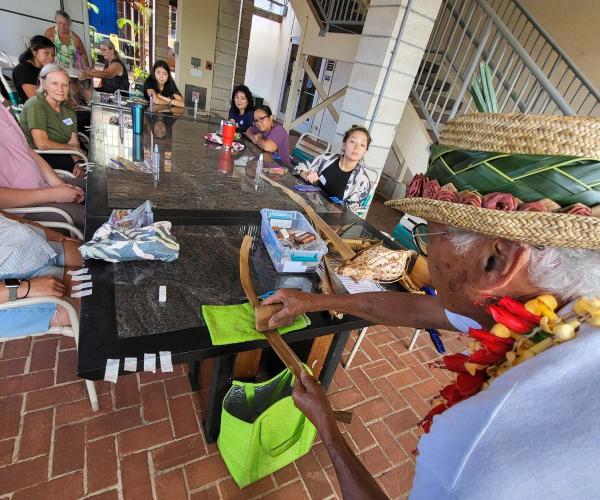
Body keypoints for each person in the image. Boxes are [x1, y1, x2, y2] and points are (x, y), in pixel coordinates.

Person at [263, 113, 600, 498]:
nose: (421, 247)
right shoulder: (570, 306)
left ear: (496, 261)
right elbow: (419, 310)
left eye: (427, 234)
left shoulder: (481, 442)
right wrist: (315, 300)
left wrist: (327, 429)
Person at [0, 102, 85, 228]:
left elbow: (26, 150)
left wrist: (59, 184)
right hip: (24, 209)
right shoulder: (36, 106)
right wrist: (54, 194)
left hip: (43, 184)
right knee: (90, 218)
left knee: (97, 188)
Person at [0, 211, 83, 337]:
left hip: (22, 248)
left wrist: (44, 231)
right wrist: (26, 287)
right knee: (92, 296)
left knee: (98, 262)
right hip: (8, 292)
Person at [19, 64, 85, 176]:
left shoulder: (67, 108)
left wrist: (78, 161)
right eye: (55, 83)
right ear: (44, 84)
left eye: (64, 85)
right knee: (83, 175)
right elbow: (42, 144)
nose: (60, 89)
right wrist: (73, 149)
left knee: (85, 167)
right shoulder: (36, 105)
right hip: (41, 155)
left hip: (64, 151)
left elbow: (74, 141)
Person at [295, 125, 371, 210]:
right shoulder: (326, 159)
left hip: (332, 219)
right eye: (353, 141)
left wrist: (336, 208)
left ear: (365, 152)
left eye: (362, 145)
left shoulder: (362, 181)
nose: (356, 147)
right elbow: (300, 166)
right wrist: (306, 174)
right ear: (344, 145)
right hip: (309, 205)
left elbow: (352, 213)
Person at [12, 36, 56, 103]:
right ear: (34, 52)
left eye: (52, 55)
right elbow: (38, 102)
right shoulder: (23, 71)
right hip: (37, 111)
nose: (51, 58)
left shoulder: (40, 68)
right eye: (46, 53)